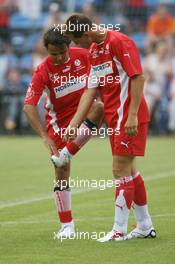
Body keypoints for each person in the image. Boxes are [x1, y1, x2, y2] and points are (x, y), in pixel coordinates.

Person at [63, 14, 156, 242]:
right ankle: (145, 226)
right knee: (130, 171)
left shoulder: (119, 41)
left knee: (119, 170)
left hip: (128, 118)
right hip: (115, 119)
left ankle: (118, 230)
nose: (77, 46)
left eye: (77, 41)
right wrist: (74, 123)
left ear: (86, 34)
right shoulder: (95, 50)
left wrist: (132, 114)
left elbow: (138, 78)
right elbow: (90, 90)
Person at [23, 27, 103, 239]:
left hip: (83, 114)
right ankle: (67, 226)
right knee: (61, 173)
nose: (58, 58)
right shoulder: (42, 70)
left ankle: (67, 152)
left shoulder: (84, 56)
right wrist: (44, 136)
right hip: (58, 124)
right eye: (53, 54)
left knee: (99, 108)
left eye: (62, 52)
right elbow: (28, 106)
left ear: (69, 46)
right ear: (47, 51)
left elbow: (104, 76)